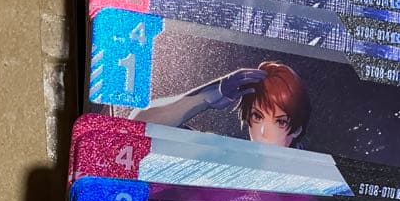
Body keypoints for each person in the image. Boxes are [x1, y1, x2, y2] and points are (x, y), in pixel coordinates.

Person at [130, 61, 311, 148]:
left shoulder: (312, 175)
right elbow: (138, 126)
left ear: (296, 129)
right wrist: (208, 95)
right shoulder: (225, 155)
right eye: (257, 116)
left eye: (280, 122)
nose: (264, 133)